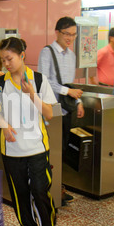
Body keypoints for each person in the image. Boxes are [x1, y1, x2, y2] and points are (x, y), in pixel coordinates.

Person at [0, 37, 59, 226]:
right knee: (19, 191)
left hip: (37, 147)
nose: (6, 64)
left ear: (22, 56)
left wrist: (32, 95)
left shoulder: (38, 80)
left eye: (9, 59)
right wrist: (3, 125)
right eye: (2, 60)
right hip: (11, 148)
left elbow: (50, 113)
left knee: (40, 189)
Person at [38, 16, 84, 205]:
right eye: (67, 34)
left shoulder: (72, 56)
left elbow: (70, 84)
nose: (70, 38)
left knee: (62, 150)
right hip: (50, 110)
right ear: (57, 32)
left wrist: (78, 100)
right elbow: (44, 80)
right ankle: (46, 189)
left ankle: (58, 186)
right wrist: (68, 91)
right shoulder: (47, 52)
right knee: (49, 150)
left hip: (66, 110)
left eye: (73, 35)